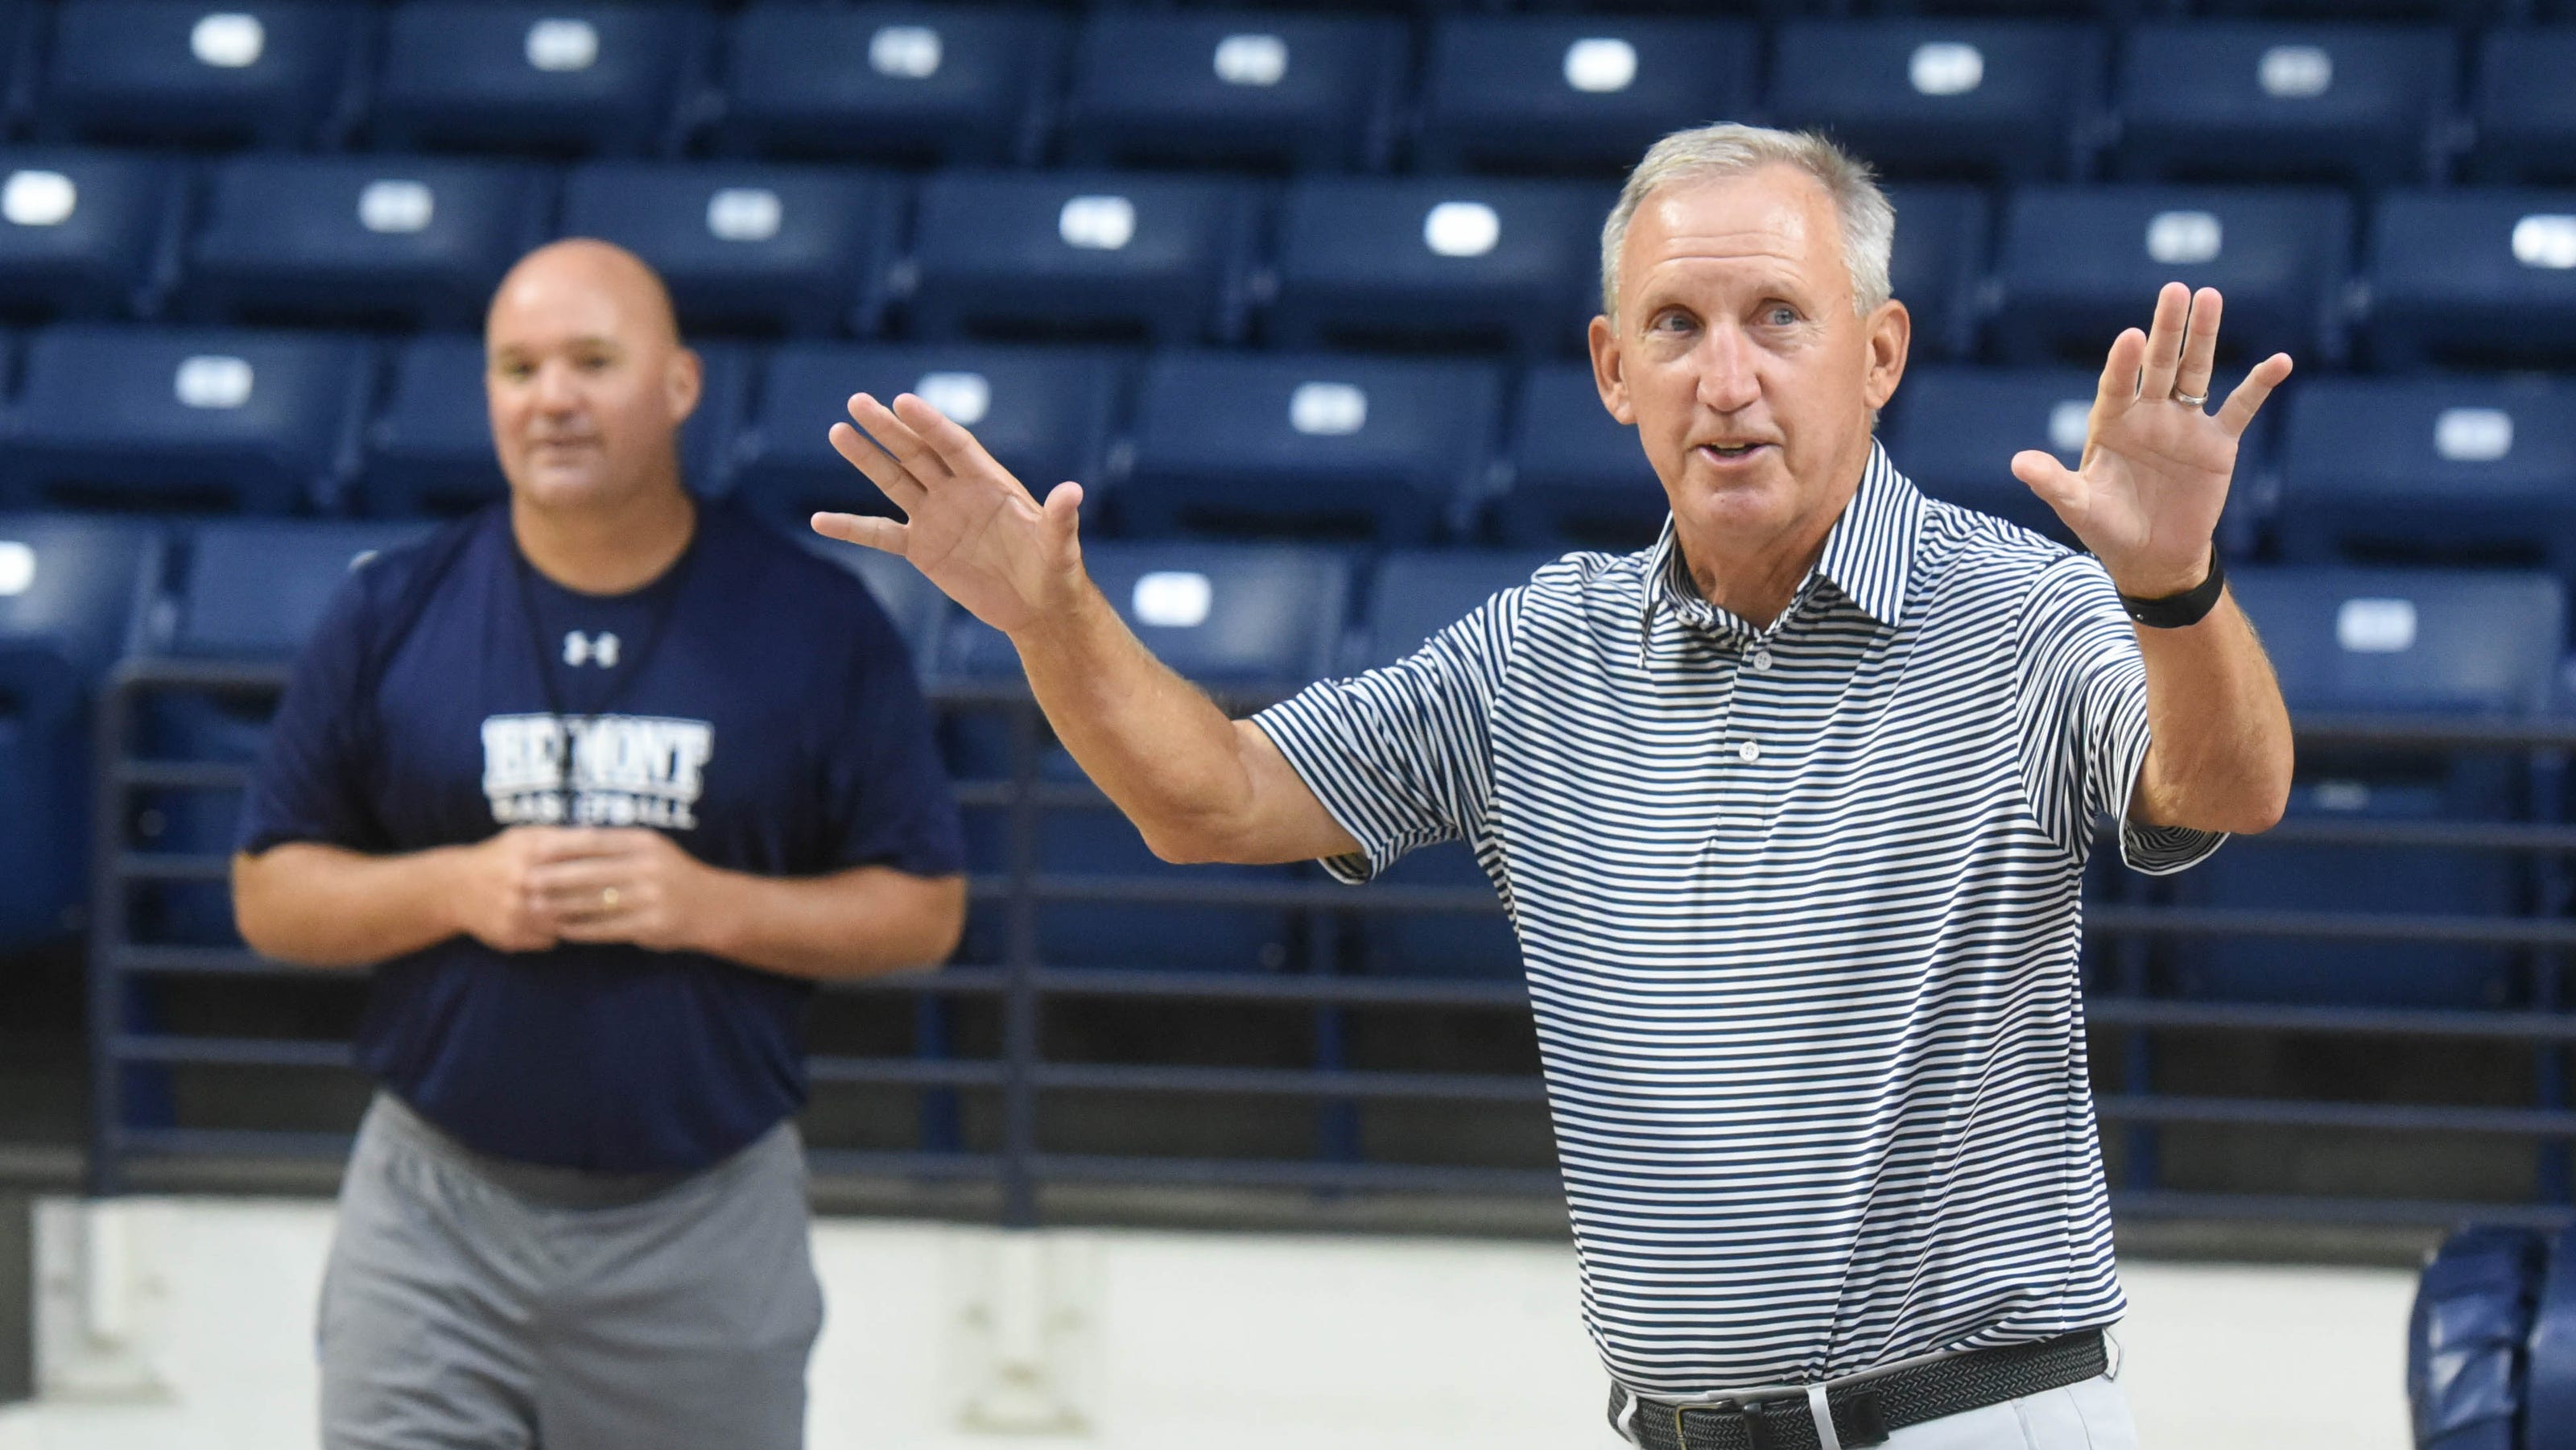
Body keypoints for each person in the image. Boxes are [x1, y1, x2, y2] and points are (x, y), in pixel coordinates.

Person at [815, 124, 2296, 1448]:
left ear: (1880, 351)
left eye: (1780, 316)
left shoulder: (2022, 611)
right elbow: (1213, 798)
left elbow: (2223, 787)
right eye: (1677, 325)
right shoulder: (1542, 650)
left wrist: (2173, 592)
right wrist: (1046, 618)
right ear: (1611, 370)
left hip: (1976, 1419)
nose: (1729, 380)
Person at [232, 238, 967, 1450]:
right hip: (433, 1217)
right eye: (518, 368)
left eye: (591, 361)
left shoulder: (815, 622)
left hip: (702, 1222)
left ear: (678, 385)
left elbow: (924, 909)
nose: (552, 397)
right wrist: (457, 885)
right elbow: (268, 892)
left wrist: (704, 903)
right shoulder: (391, 607)